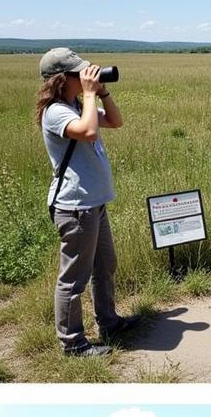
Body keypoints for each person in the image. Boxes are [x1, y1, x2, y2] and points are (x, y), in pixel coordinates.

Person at [36, 47, 140, 357]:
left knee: (105, 266)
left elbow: (116, 122)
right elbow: (90, 131)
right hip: (75, 207)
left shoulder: (76, 104)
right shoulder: (55, 111)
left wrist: (102, 93)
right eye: (79, 73)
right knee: (73, 280)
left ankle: (109, 322)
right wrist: (91, 96)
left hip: (94, 203)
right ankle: (72, 344)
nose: (86, 76)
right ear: (61, 79)